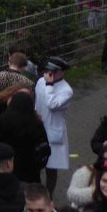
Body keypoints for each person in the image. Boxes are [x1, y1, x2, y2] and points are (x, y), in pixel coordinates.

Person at [35, 56, 73, 194]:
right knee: (35, 163)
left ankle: (48, 195)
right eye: (48, 71)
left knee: (51, 168)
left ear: (62, 72)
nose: (49, 74)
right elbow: (37, 100)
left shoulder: (67, 90)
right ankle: (35, 192)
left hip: (53, 132)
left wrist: (49, 85)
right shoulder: (41, 81)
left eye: (53, 72)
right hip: (38, 128)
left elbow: (52, 104)